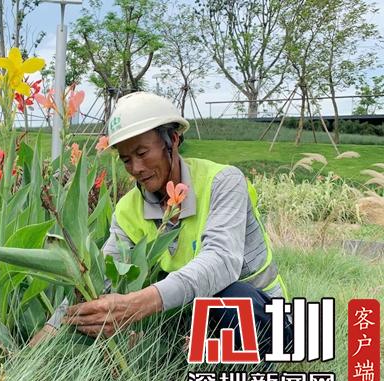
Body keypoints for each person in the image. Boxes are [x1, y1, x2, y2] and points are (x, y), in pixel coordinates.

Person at [30, 92, 292, 357]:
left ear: (173, 140)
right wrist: (51, 329)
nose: (136, 168)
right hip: (193, 318)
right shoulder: (129, 208)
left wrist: (136, 305)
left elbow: (221, 261)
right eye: (126, 160)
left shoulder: (222, 182)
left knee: (231, 299)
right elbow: (102, 272)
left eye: (142, 153)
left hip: (263, 314)